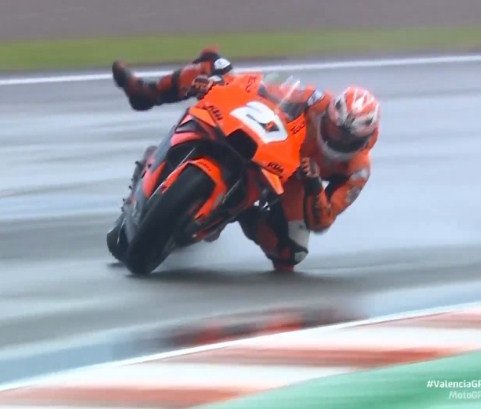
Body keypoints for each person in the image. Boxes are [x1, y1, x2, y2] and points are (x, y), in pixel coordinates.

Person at [110, 48, 381, 272]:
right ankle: (146, 92)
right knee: (215, 64)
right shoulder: (316, 102)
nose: (338, 138)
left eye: (347, 138)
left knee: (290, 254)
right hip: (271, 142)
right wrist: (223, 85)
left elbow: (323, 220)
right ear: (330, 115)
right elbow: (266, 90)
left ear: (364, 139)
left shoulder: (357, 171)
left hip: (295, 179)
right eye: (335, 129)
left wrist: (312, 186)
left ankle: (243, 212)